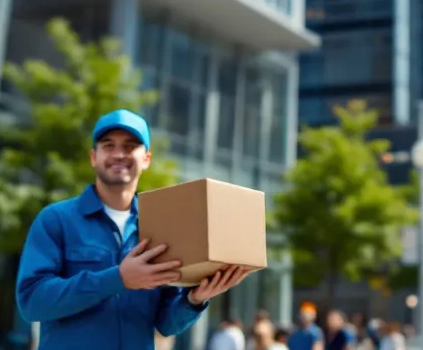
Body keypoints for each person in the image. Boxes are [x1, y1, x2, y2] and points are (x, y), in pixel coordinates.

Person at [16, 109, 251, 349]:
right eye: (108, 145)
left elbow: (166, 324)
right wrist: (118, 278)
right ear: (93, 157)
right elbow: (32, 301)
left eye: (129, 146)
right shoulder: (56, 220)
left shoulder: (162, 226)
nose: (119, 154)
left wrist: (194, 300)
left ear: (146, 159)